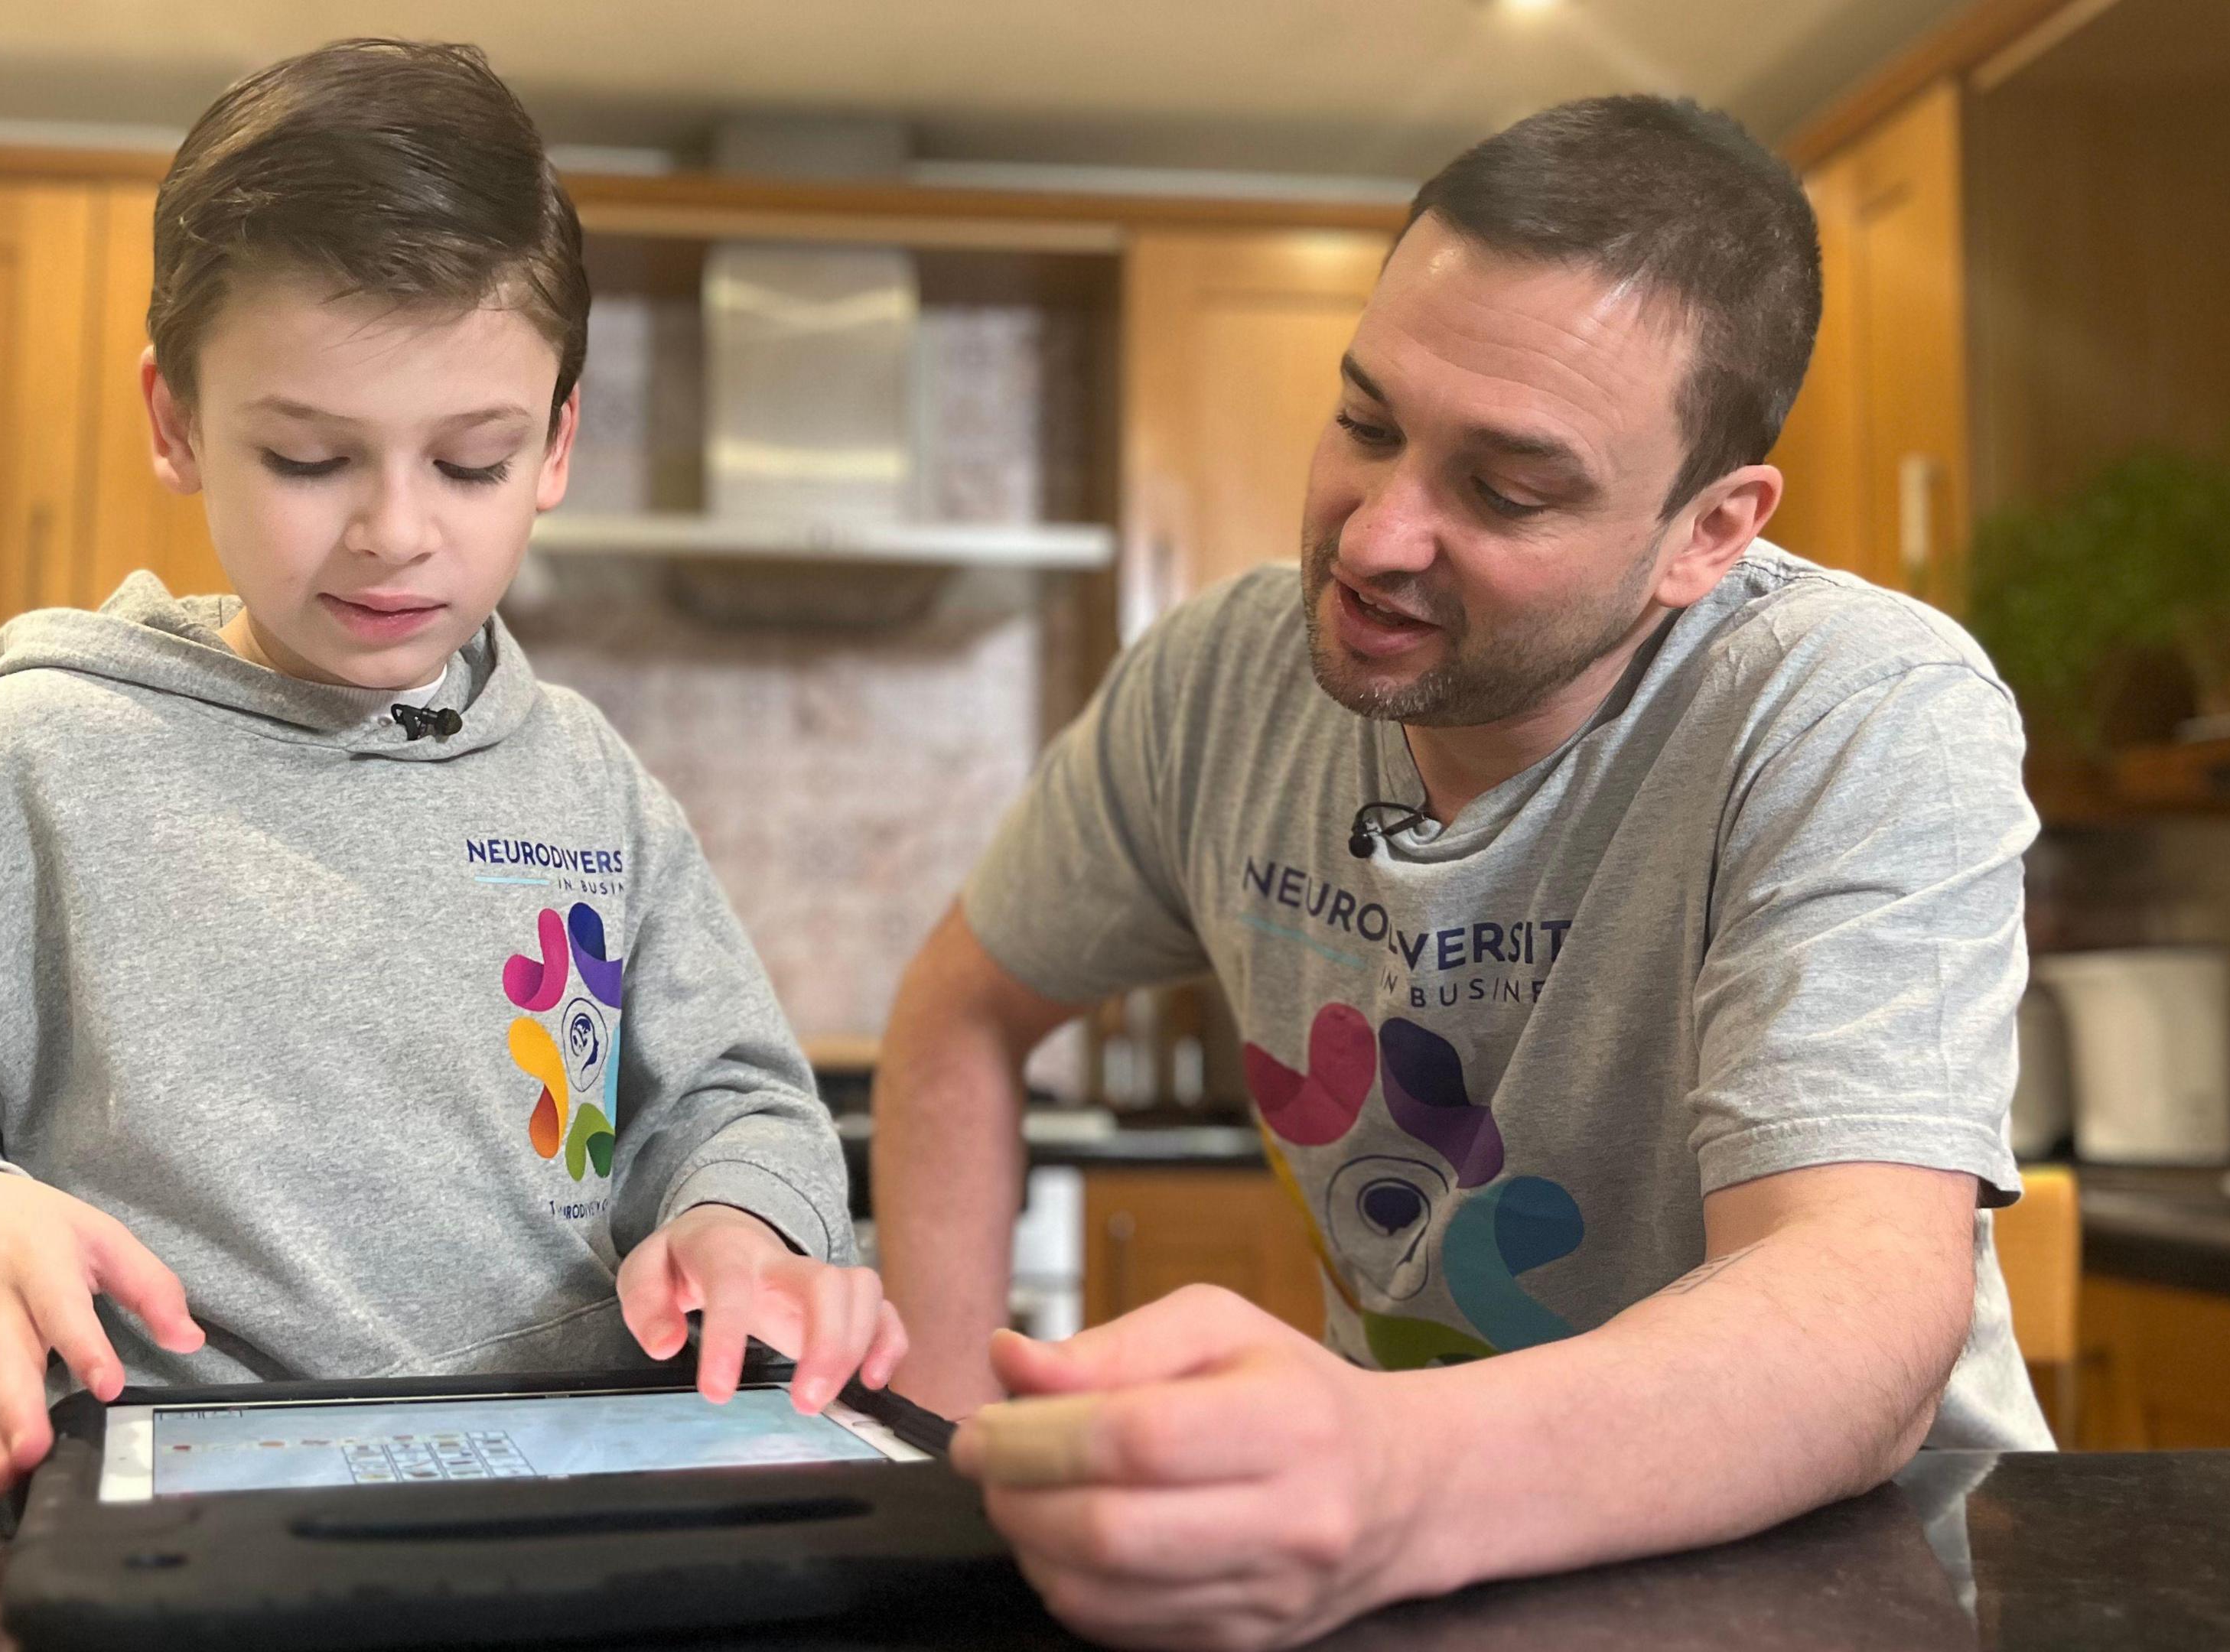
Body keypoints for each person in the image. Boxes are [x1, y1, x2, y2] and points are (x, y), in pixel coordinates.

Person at [874, 95, 2047, 1648]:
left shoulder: (1859, 711)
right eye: (1367, 422)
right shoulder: (1218, 681)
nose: (1376, 536)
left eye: (1505, 490)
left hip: (1850, 1578)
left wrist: (1383, 1472)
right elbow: (963, 1009)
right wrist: (943, 1473)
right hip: (1431, 1574)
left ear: (1707, 531)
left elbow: (1858, 1303)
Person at [0, 38, 902, 1494]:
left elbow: (736, 1109)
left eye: (472, 462)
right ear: (177, 423)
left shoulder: (590, 785)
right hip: (175, 1531)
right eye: (310, 459)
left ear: (557, 444)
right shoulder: (38, 761)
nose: (395, 531)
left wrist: (742, 1230)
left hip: (566, 1509)